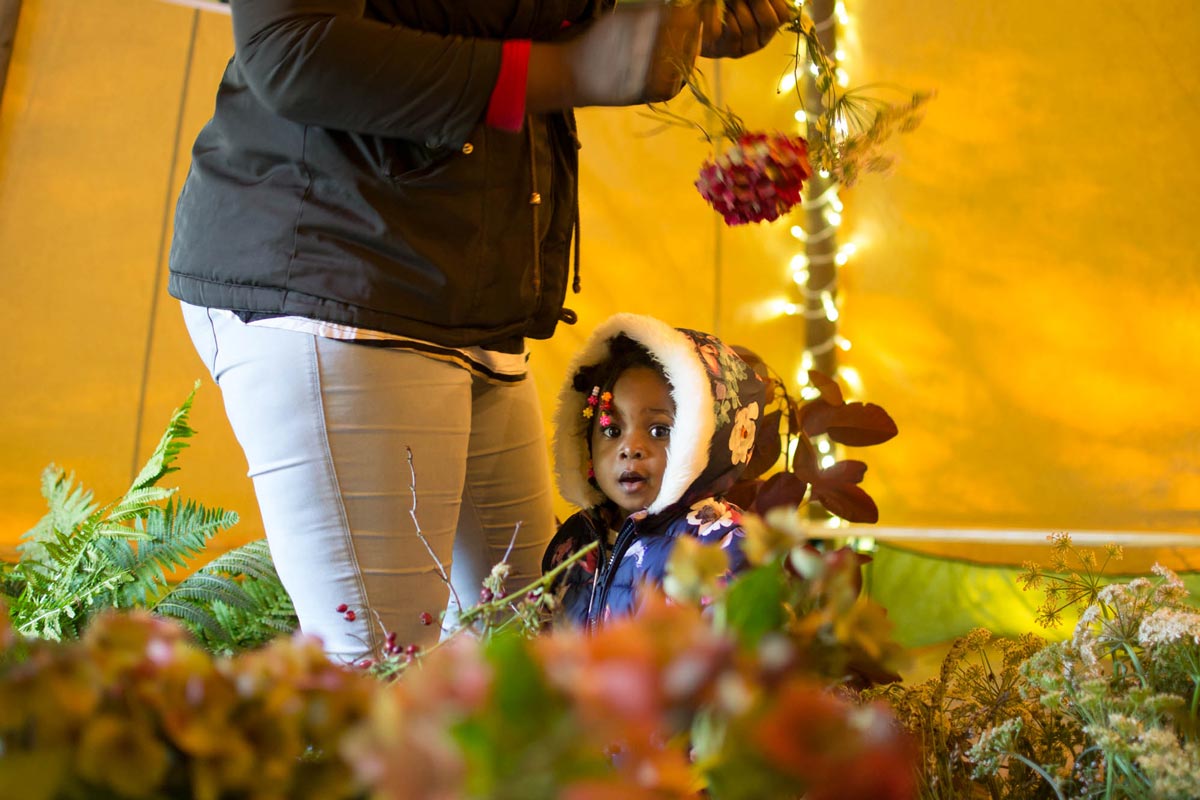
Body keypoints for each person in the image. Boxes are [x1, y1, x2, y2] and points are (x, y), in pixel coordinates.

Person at [168, 0, 793, 662]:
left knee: (524, 658)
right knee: (383, 674)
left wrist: (668, 21)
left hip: (470, 293)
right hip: (346, 274)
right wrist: (577, 69)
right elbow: (294, 49)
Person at [542, 313, 766, 626]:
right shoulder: (574, 540)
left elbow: (741, 662)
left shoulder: (724, 545)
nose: (630, 448)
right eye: (611, 428)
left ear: (706, 437)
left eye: (659, 430)